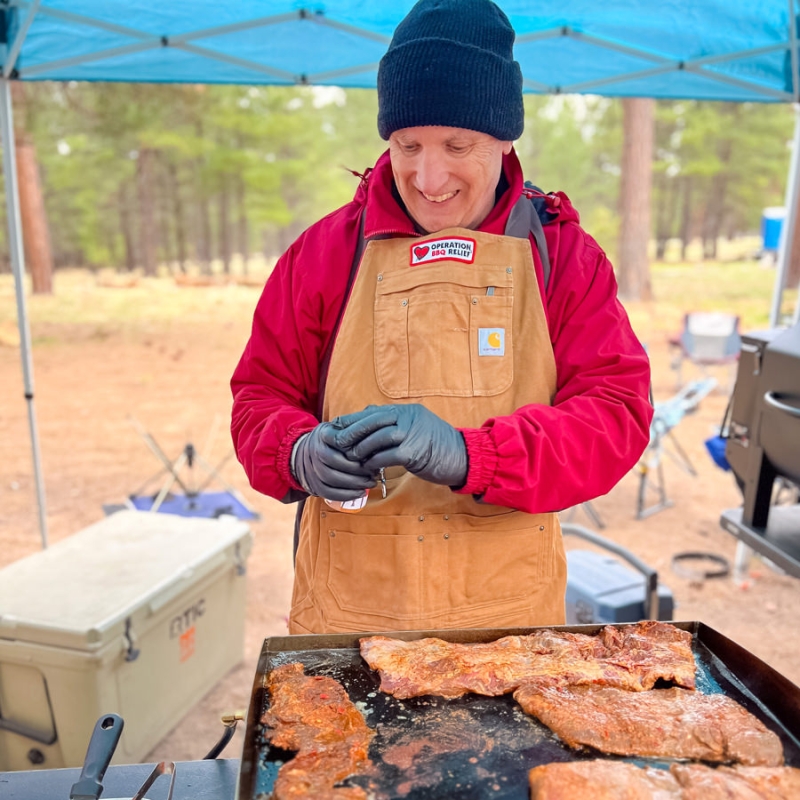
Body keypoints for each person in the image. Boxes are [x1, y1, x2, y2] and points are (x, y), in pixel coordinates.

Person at [231, 0, 653, 635]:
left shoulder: (562, 254)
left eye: (457, 145)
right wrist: (295, 452)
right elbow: (258, 397)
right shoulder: (323, 254)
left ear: (505, 137)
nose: (428, 177)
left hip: (509, 625)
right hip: (348, 619)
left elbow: (616, 415)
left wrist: (473, 455)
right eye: (408, 145)